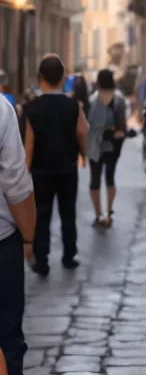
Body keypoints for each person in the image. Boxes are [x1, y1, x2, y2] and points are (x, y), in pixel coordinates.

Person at [0, 93, 40, 375]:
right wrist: (29, 236)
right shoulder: (0, 108)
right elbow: (14, 179)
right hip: (1, 242)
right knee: (8, 341)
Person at [23, 54, 89, 278]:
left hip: (40, 171)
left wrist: (26, 170)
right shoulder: (73, 106)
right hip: (67, 168)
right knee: (68, 213)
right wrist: (83, 154)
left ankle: (42, 260)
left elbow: (29, 145)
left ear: (40, 78)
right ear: (62, 78)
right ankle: (69, 256)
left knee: (42, 214)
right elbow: (83, 131)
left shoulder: (31, 108)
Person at [87, 68, 127, 228]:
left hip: (94, 145)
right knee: (110, 178)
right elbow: (122, 127)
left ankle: (98, 216)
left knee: (94, 181)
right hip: (113, 145)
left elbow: (87, 125)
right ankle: (108, 213)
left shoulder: (92, 100)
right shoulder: (119, 99)